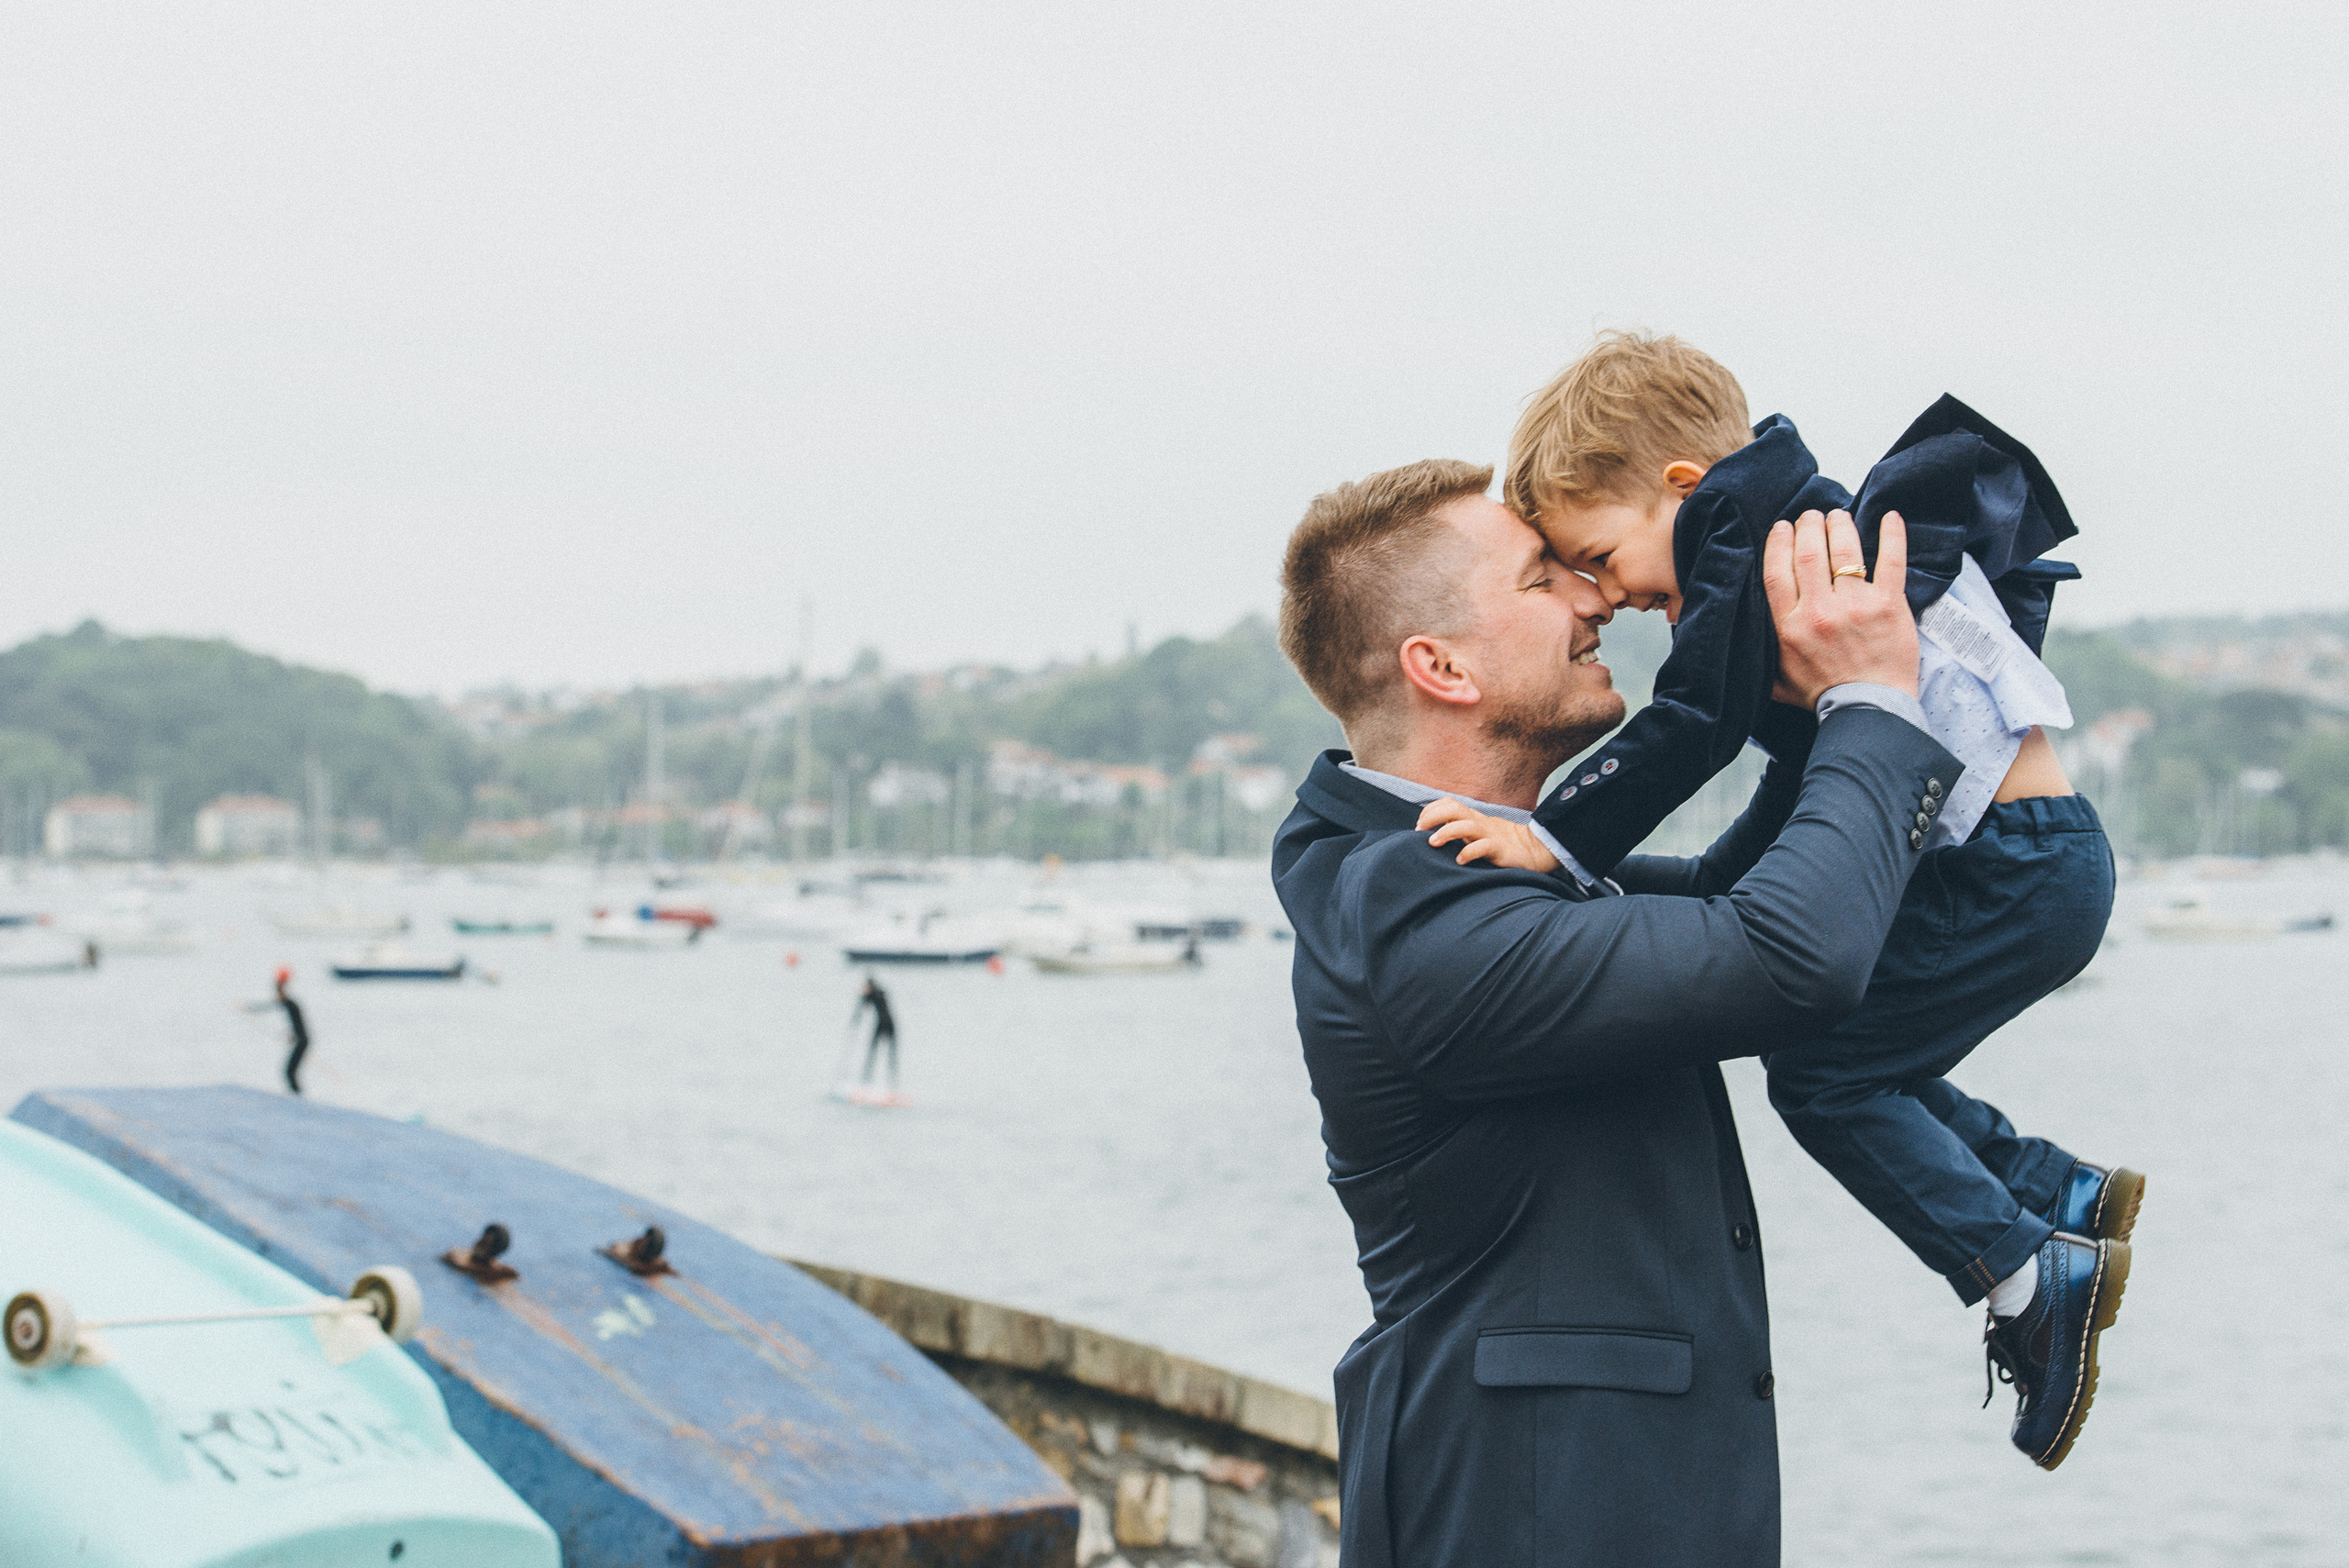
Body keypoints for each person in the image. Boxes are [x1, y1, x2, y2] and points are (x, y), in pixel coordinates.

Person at [1433, 332, 2132, 1468]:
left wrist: (1552, 834)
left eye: (1600, 554)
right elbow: (1793, 778)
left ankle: (2022, 1271)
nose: (1607, 593)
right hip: (2026, 856)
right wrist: (1630, 886)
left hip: (2008, 865)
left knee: (1823, 1075)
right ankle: (2056, 1188)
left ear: (1677, 485)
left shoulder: (1748, 536)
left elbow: (1695, 722)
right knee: (1838, 1045)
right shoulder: (1788, 525)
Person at [1274, 460, 1950, 1566]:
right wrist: (1869, 693)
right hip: (1526, 1517)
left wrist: (1792, 700)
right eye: (1544, 578)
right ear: (1438, 665)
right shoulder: (1412, 912)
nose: (1596, 599)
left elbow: (1751, 897)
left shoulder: (1476, 870)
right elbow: (1789, 954)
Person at [852, 975, 898, 1091]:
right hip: (886, 1024)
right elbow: (862, 1008)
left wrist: (863, 995)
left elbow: (863, 1007)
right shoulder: (876, 993)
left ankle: (889, 1083)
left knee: (883, 1054)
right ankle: (870, 1081)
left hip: (886, 1024)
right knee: (877, 1052)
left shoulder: (875, 993)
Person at [273, 967, 309, 1095]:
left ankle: (297, 1096)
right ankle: (296, 1095)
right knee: (290, 1071)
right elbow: (298, 1025)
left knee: (289, 1071)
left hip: (302, 1041)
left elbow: (299, 1025)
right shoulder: (290, 1004)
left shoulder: (290, 1004)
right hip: (302, 1040)